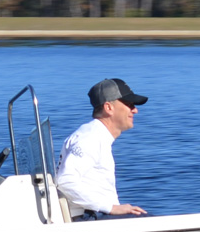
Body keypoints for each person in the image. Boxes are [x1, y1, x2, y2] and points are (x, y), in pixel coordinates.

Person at [56, 78, 149, 220]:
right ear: (108, 108)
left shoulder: (95, 135)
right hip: (90, 218)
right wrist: (110, 208)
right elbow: (65, 181)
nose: (135, 110)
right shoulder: (90, 138)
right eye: (129, 104)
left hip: (96, 215)